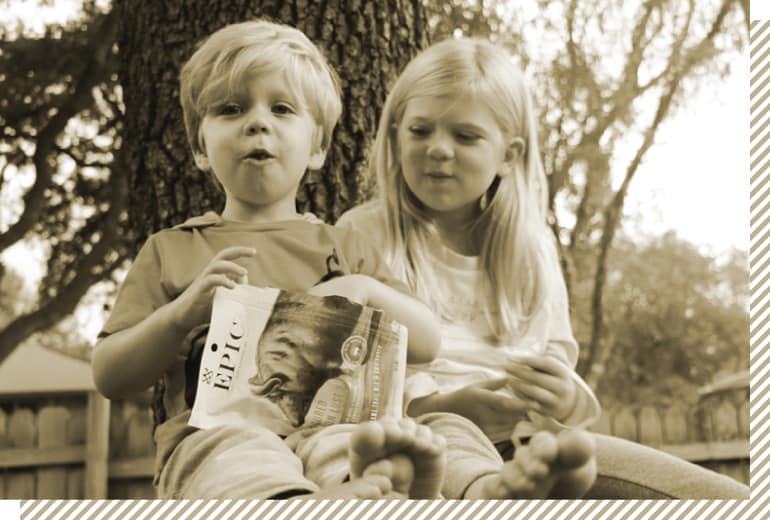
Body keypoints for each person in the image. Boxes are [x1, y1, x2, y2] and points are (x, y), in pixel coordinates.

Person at [91, 20, 589, 501]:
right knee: (241, 452)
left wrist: (364, 291)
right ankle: (306, 500)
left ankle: (487, 489)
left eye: (282, 109)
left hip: (340, 431)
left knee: (431, 432)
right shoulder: (172, 249)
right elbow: (110, 376)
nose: (258, 122)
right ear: (201, 147)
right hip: (220, 435)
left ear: (319, 147)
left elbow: (427, 340)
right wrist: (178, 318)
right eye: (230, 109)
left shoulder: (346, 246)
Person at [337, 36, 750, 499]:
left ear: (508, 156)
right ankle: (490, 495)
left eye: (465, 136)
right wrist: (441, 404)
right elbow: (340, 377)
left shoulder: (529, 249)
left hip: (534, 445)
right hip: (421, 436)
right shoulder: (363, 235)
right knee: (450, 440)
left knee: (715, 495)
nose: (438, 148)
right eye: (420, 131)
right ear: (395, 136)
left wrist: (565, 397)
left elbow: (557, 363)